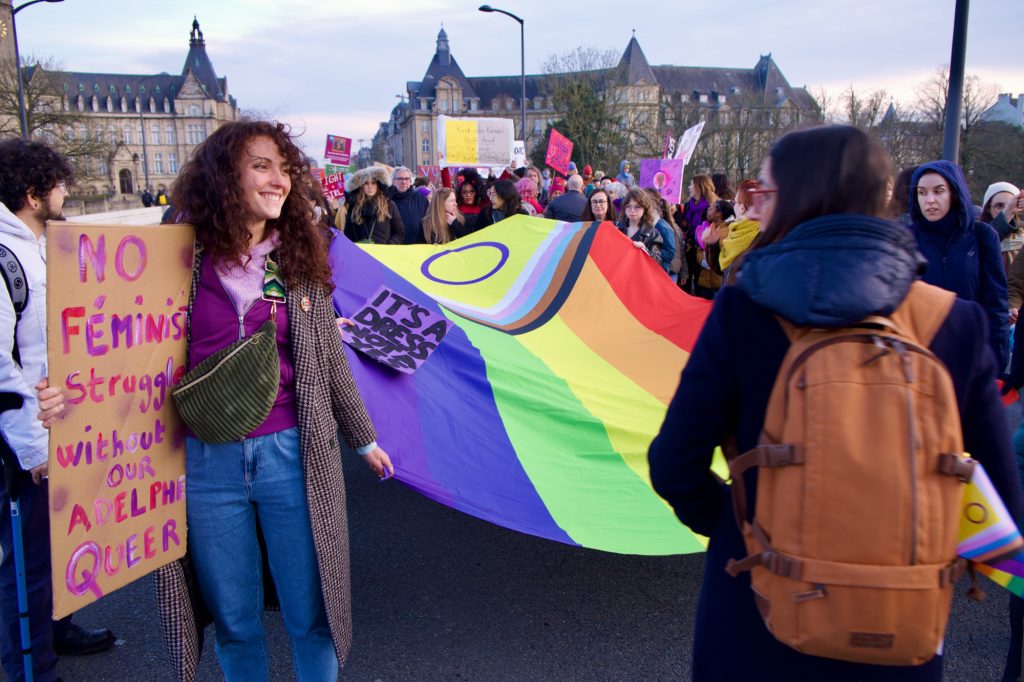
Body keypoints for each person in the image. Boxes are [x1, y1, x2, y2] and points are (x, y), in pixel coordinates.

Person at [648, 124, 1023, 682]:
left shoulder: (742, 309)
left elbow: (674, 462)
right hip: (900, 620)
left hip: (755, 610)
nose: (756, 205)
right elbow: (999, 492)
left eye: (764, 193)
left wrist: (740, 518)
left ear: (797, 199)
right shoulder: (954, 322)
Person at [155, 120, 394, 681]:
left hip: (293, 457)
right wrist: (66, 399)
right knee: (235, 622)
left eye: (284, 169)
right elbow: (125, 354)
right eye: (261, 165)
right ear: (223, 176)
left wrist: (364, 439)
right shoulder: (176, 261)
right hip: (204, 463)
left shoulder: (300, 259)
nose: (278, 180)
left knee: (310, 617)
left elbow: (330, 359)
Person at [0, 139, 115, 682]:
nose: (67, 191)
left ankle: (56, 627)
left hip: (57, 421)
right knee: (27, 561)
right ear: (31, 194)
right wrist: (31, 448)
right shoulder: (5, 256)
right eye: (59, 184)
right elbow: (3, 368)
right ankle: (31, 665)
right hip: (26, 438)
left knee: (60, 539)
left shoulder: (41, 244)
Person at [908, 161, 1009, 370]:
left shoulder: (982, 236)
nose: (930, 200)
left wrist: (997, 358)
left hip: (971, 357)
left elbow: (996, 302)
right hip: (922, 359)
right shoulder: (906, 239)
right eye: (922, 192)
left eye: (938, 191)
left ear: (954, 193)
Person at [344, 166, 405, 244]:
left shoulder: (389, 205)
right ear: (361, 186)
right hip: (360, 253)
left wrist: (389, 246)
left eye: (373, 183)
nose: (370, 187)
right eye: (366, 183)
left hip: (382, 254)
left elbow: (399, 232)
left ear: (378, 185)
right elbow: (348, 234)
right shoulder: (354, 207)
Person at [719, 179, 761, 282]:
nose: (733, 206)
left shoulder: (759, 239)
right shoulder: (736, 232)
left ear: (742, 208)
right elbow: (725, 271)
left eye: (735, 202)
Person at [681, 175, 718, 293]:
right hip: (687, 249)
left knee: (701, 287)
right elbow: (684, 225)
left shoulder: (712, 207)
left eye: (691, 184)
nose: (689, 187)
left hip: (703, 252)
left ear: (699, 187)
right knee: (685, 285)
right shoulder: (688, 205)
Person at [694, 199, 735, 298]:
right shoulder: (712, 228)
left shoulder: (726, 232)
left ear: (718, 214)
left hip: (719, 284)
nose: (708, 210)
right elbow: (700, 249)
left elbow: (721, 263)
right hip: (706, 280)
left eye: (711, 208)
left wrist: (710, 248)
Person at [981, 182, 1024, 272]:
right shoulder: (976, 236)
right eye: (999, 206)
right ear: (988, 208)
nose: (1005, 210)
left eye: (1011, 205)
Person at [616, 189, 664, 264]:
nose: (632, 210)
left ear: (645, 208)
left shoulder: (653, 234)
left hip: (638, 273)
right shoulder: (616, 228)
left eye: (637, 207)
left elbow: (657, 261)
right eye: (628, 206)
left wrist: (645, 250)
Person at [390, 166, 429, 245]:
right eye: (400, 179)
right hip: (395, 246)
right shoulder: (387, 199)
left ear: (410, 181)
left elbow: (429, 220)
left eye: (407, 179)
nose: (404, 182)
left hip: (417, 246)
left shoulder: (420, 198)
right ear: (393, 181)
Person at [454, 170, 491, 237]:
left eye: (472, 191)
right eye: (464, 192)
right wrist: (443, 168)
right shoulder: (456, 208)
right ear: (460, 194)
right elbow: (446, 188)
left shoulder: (482, 206)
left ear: (476, 193)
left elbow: (494, 185)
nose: (468, 195)